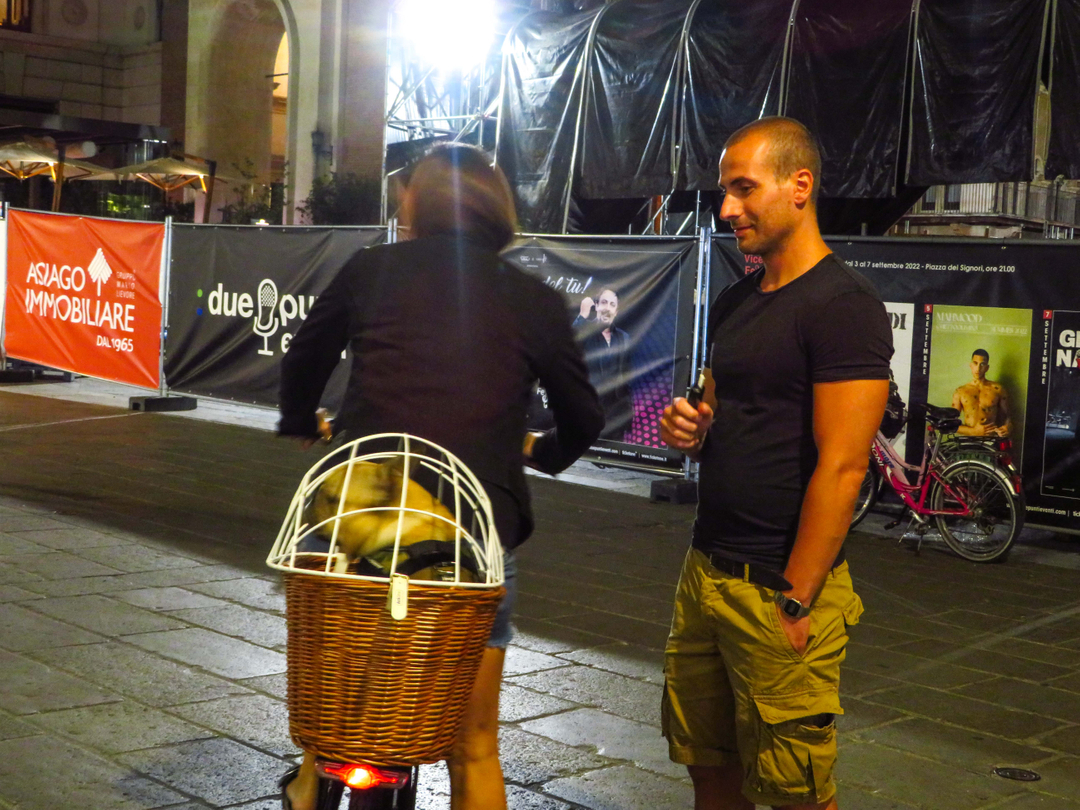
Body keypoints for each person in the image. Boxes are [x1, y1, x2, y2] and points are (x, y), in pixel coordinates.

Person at [277, 143, 604, 810]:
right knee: (475, 745)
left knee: (335, 703)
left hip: (362, 522)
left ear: (418, 203)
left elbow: (305, 355)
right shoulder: (534, 299)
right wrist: (538, 453)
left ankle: (312, 781)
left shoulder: (372, 270)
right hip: (471, 536)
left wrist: (301, 419)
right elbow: (585, 417)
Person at [659, 117, 892, 810]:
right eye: (725, 191)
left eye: (743, 189)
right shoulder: (738, 298)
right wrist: (690, 426)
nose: (727, 209)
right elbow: (717, 408)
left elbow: (844, 467)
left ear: (800, 186)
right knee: (708, 768)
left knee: (795, 790)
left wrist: (797, 597)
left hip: (778, 588)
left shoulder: (843, 306)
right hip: (706, 574)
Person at [574, 287, 633, 440]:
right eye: (604, 302)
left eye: (612, 304)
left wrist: (627, 409)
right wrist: (582, 316)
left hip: (615, 415)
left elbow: (625, 374)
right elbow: (566, 346)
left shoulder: (624, 338)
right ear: (597, 306)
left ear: (617, 310)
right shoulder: (584, 331)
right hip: (587, 412)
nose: (607, 308)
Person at [951, 349, 1011, 437]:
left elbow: (1007, 417)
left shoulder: (998, 389)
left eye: (982, 364)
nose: (978, 368)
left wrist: (1008, 427)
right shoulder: (960, 391)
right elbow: (951, 423)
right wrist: (973, 432)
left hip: (991, 439)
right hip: (969, 439)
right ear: (971, 365)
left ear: (987, 368)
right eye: (975, 363)